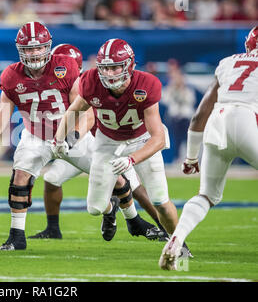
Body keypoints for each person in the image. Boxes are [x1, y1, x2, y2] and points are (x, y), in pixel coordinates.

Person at [0, 21, 85, 250]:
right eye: (28, 49)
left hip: (69, 133)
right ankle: (17, 236)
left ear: (48, 47)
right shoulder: (11, 75)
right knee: (19, 180)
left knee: (114, 175)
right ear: (19, 50)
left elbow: (81, 106)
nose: (34, 53)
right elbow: (1, 117)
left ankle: (134, 219)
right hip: (37, 135)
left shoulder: (65, 65)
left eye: (38, 48)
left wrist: (72, 136)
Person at [51, 38, 188, 251]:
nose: (110, 74)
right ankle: (113, 209)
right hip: (107, 143)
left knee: (160, 199)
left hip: (141, 139)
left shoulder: (145, 84)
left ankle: (178, 243)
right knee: (94, 208)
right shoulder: (91, 80)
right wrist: (59, 139)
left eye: (115, 67)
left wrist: (131, 159)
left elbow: (158, 138)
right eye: (105, 68)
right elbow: (74, 111)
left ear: (129, 65)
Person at [30, 43, 167, 241]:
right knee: (52, 179)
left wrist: (69, 139)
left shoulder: (90, 82)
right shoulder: (55, 83)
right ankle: (54, 228)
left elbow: (88, 117)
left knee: (132, 184)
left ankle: (154, 226)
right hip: (82, 144)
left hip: (102, 141)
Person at [159, 26, 258, 270]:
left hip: (218, 121)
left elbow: (199, 114)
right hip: (246, 120)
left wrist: (191, 157)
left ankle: (176, 240)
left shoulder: (227, 63)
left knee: (206, 195)